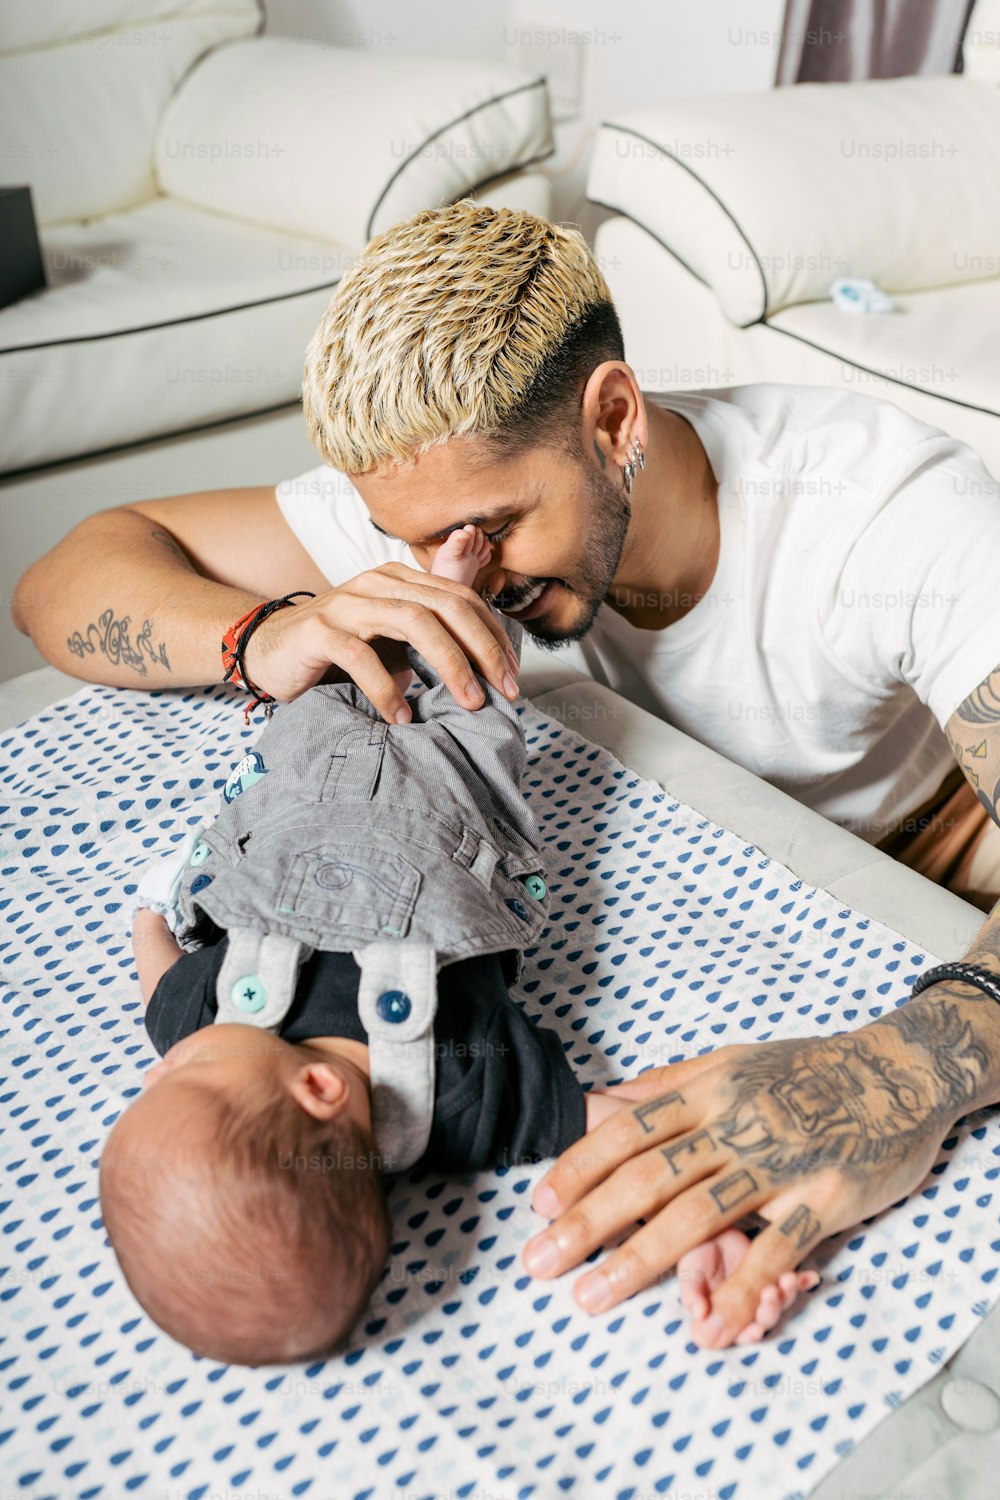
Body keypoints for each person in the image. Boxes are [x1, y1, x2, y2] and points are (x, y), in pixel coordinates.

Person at [17, 201, 1000, 1351]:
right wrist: (262, 632)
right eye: (411, 538)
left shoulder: (888, 520)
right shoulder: (440, 512)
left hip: (939, 847)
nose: (457, 574)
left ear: (614, 417)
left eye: (492, 526)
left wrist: (904, 1069)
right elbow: (64, 579)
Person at [102, 523, 819, 1365]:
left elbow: (160, 986)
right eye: (177, 1080)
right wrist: (711, 1225)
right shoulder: (457, 1100)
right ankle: (462, 597)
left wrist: (150, 916)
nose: (161, 1064)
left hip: (298, 796)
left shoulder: (197, 1027)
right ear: (324, 1091)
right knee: (474, 706)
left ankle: (408, 600)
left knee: (324, 696)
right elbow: (617, 1133)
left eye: (148, 1085)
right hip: (451, 814)